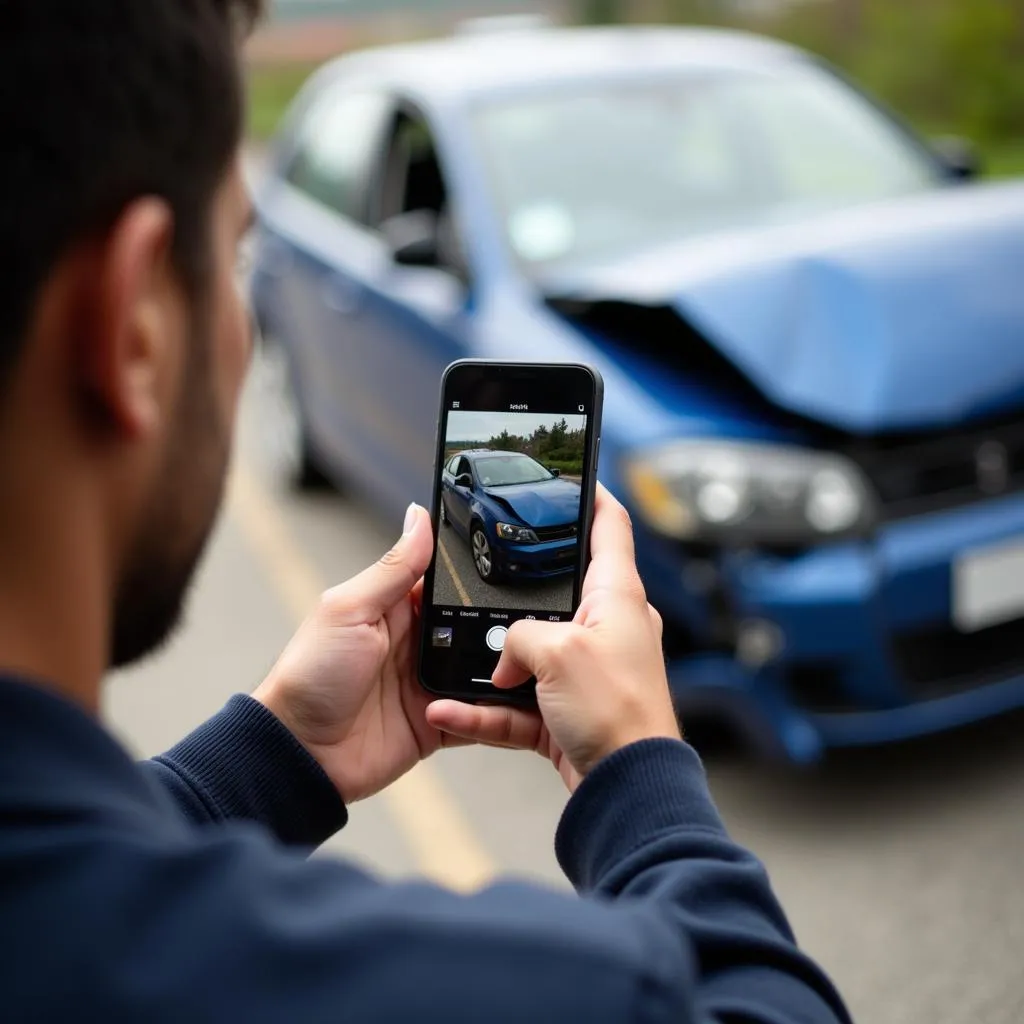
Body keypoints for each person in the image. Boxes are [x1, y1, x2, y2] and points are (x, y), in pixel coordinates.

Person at [0, 3, 851, 1022]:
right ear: (135, 324)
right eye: (233, 254)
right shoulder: (501, 989)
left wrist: (270, 760)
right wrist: (642, 784)